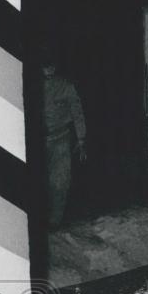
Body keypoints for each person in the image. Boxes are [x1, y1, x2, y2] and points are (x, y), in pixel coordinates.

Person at [42, 59, 87, 228]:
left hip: (60, 138)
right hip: (37, 141)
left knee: (60, 181)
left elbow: (77, 112)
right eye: (45, 65)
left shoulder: (66, 86)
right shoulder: (30, 85)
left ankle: (55, 220)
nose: (48, 69)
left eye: (51, 65)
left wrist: (81, 139)